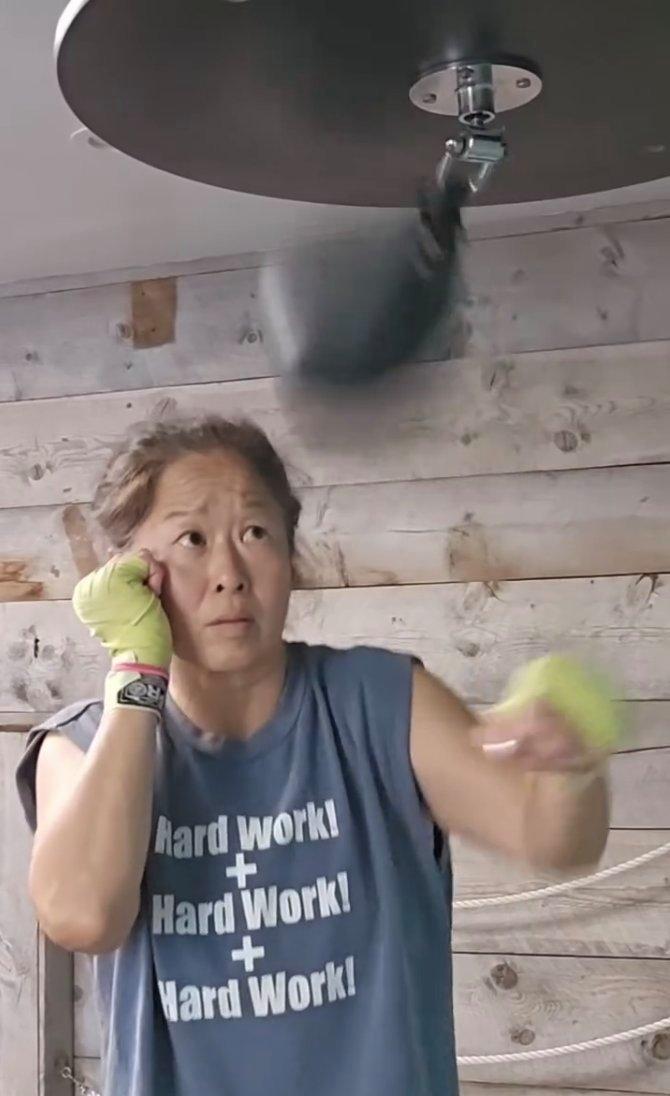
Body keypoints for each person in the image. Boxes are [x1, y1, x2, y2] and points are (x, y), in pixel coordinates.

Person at [16, 415, 610, 1096]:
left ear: (289, 554)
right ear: (128, 574)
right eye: (192, 540)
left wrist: (571, 767)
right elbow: (83, 916)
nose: (229, 574)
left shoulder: (382, 703)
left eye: (255, 533)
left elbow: (551, 835)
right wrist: (136, 670)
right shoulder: (83, 743)